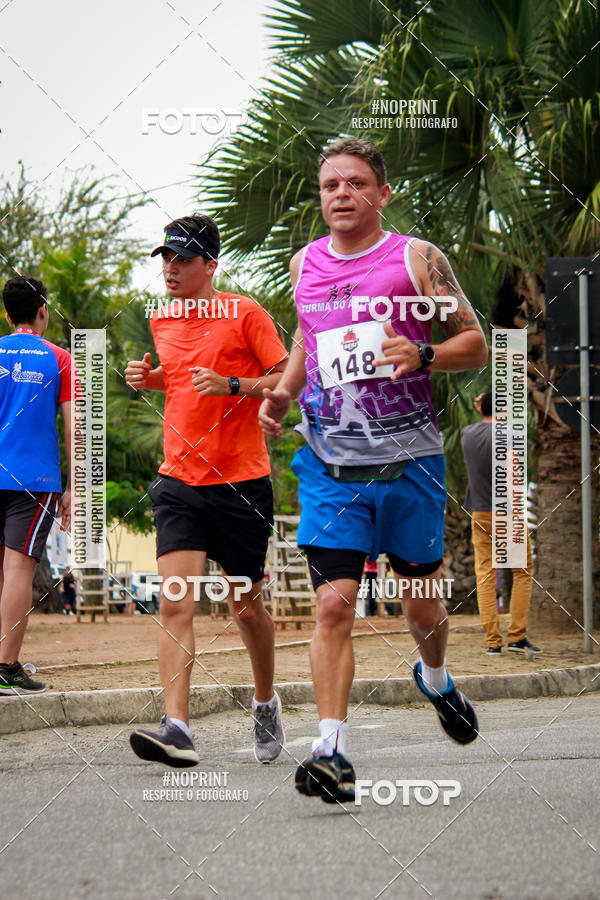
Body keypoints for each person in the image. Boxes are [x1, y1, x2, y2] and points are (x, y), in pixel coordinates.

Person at [259, 137, 488, 803]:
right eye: (330, 185)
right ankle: (330, 750)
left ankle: (437, 678)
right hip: (331, 462)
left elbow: (474, 342)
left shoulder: (417, 258)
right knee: (333, 603)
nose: (341, 195)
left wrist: (422, 354)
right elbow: (309, 336)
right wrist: (283, 391)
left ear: (382, 194)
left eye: (356, 183)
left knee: (423, 605)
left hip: (409, 458)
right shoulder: (305, 263)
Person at [126, 214, 288, 767]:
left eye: (184, 259)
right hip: (179, 482)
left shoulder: (244, 312)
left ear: (210, 266)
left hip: (241, 482)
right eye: (166, 258)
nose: (171, 268)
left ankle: (265, 699)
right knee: (175, 603)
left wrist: (234, 386)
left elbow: (289, 376)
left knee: (245, 607)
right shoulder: (163, 319)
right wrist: (150, 379)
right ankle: (177, 728)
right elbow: (180, 380)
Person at [0, 276, 72, 694]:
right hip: (35, 478)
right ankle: (7, 665)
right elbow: (72, 426)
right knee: (18, 568)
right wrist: (73, 487)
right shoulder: (59, 358)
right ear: (43, 310)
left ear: (8, 315)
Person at [461, 391, 539, 654]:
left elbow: (486, 418)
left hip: (480, 512)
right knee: (522, 572)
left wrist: (485, 404)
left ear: (480, 406)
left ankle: (493, 642)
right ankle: (516, 636)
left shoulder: (467, 434)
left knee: (485, 574)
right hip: (508, 512)